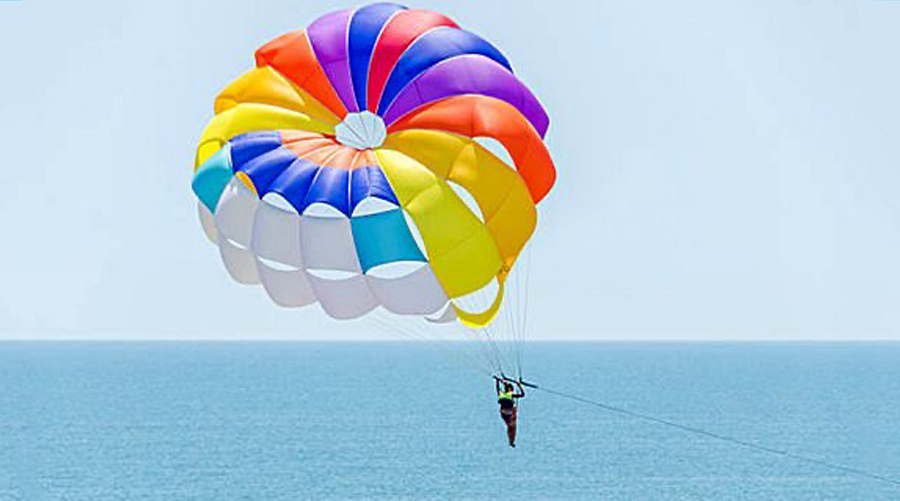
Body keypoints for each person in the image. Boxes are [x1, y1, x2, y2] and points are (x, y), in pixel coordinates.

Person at [495, 376, 525, 447]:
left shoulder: (501, 393)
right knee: (512, 427)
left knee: (510, 427)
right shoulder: (511, 394)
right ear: (510, 389)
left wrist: (498, 381)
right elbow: (522, 395)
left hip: (503, 413)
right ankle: (511, 441)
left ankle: (511, 442)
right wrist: (520, 386)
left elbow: (497, 387)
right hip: (509, 413)